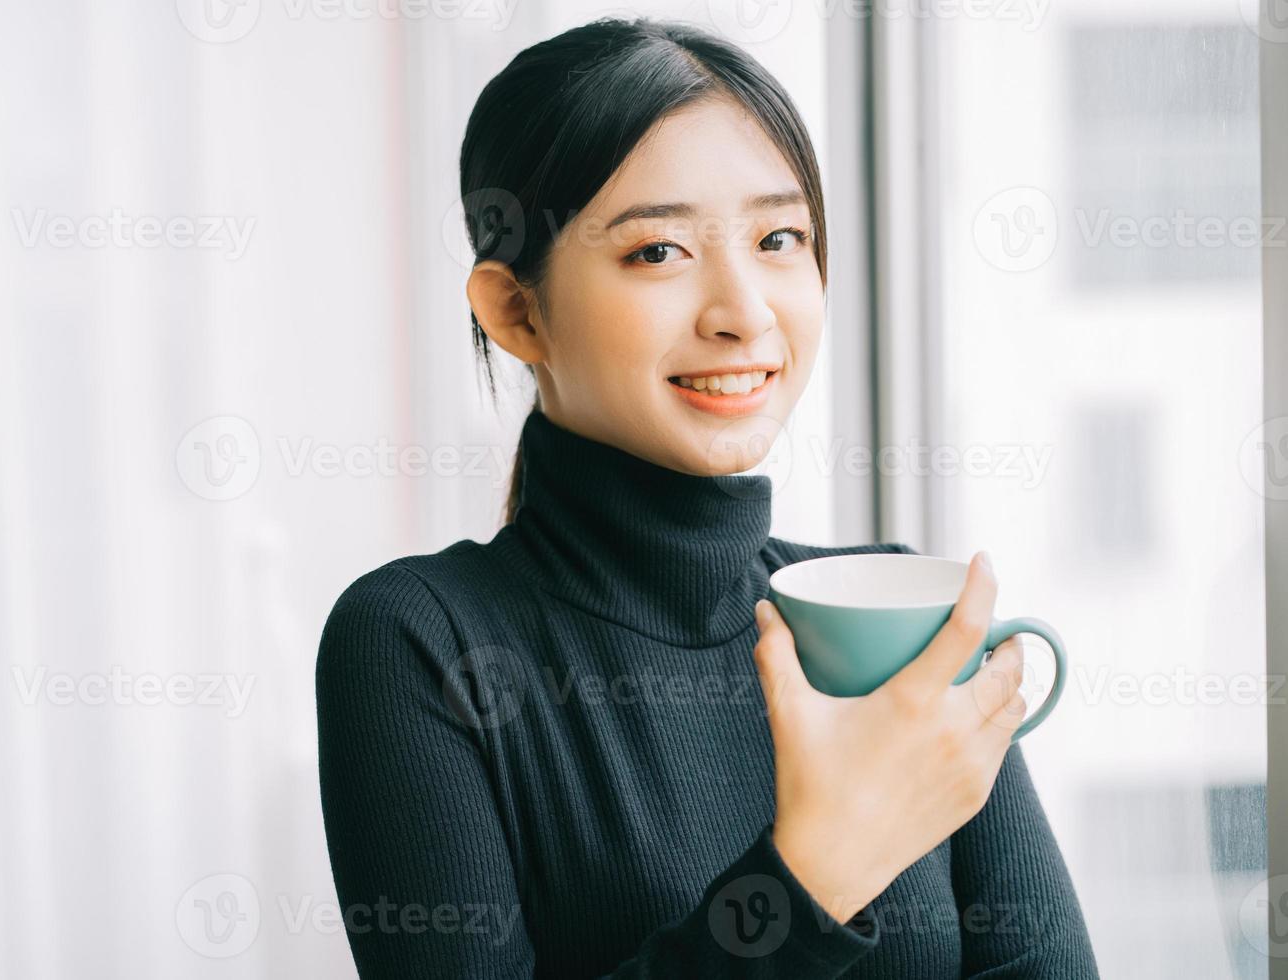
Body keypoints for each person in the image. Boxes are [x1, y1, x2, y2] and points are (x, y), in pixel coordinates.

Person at [316, 15, 1099, 978]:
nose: (744, 313)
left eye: (779, 237)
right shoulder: (418, 642)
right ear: (516, 310)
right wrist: (815, 872)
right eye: (659, 252)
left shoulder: (897, 612)